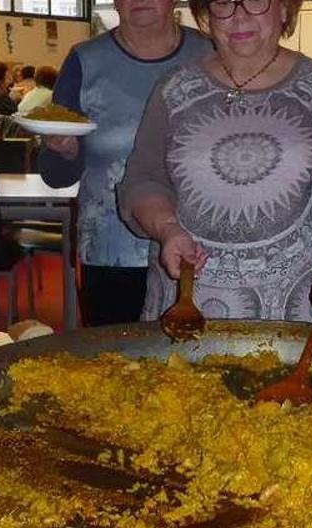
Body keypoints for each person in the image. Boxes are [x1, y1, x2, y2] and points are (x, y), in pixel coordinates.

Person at [118, 0, 312, 322]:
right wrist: (167, 229)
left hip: (295, 309)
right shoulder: (175, 88)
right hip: (189, 301)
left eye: (257, 1)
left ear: (285, 9)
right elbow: (143, 179)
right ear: (206, 15)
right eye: (223, 3)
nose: (239, 16)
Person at [38, 0, 211, 327]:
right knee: (114, 361)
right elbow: (55, 175)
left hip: (199, 245)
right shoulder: (85, 61)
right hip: (109, 248)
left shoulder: (211, 52)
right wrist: (64, 151)